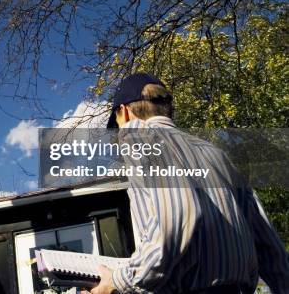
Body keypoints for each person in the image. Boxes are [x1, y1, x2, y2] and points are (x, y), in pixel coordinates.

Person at [90, 73, 289, 294]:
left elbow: (176, 218)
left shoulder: (138, 139)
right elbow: (271, 248)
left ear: (125, 112)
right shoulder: (216, 154)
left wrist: (117, 282)